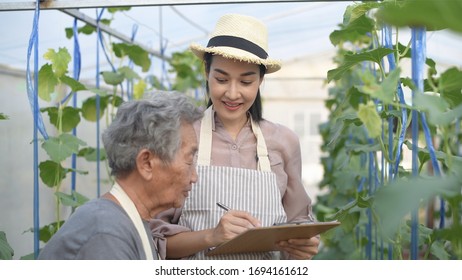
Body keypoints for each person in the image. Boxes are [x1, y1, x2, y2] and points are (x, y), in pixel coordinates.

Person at [151, 14, 320, 260]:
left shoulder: (284, 141)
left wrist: (302, 244)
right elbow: (156, 240)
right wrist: (211, 236)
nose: (232, 93)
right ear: (206, 72)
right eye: (221, 79)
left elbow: (298, 221)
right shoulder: (182, 136)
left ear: (261, 80)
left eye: (246, 81)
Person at [38, 92, 203, 260]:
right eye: (189, 161)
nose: (194, 177)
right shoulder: (107, 235)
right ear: (146, 163)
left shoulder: (129, 222)